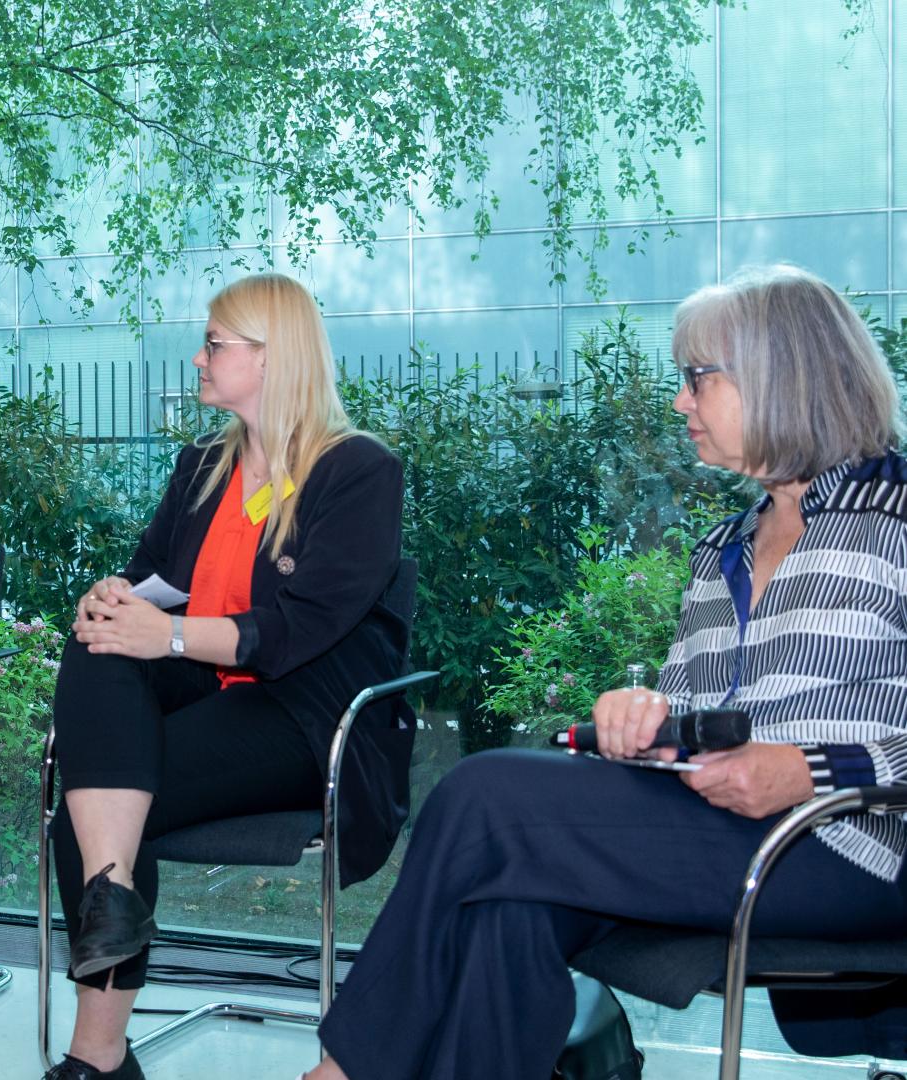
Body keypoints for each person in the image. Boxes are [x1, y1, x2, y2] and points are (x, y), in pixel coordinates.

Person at [304, 264, 907, 1080]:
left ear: (780, 373)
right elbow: (697, 719)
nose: (680, 402)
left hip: (843, 843)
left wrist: (810, 769)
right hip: (717, 829)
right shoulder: (723, 547)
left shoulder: (897, 522)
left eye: (698, 378)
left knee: (482, 797)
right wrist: (647, 722)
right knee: (506, 910)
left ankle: (341, 1072)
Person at [43, 273, 413, 1080]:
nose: (199, 358)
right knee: (96, 646)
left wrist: (166, 632)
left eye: (214, 344)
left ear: (271, 358)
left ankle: (96, 1057)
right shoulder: (204, 465)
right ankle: (112, 900)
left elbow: (294, 632)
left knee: (94, 808)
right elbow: (151, 577)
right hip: (204, 690)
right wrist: (113, 600)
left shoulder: (358, 472)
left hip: (306, 715)